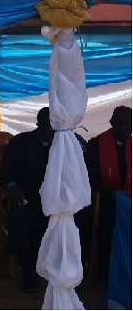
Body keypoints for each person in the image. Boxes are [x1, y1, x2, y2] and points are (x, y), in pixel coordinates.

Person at [0, 106, 53, 293]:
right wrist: (13, 188)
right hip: (27, 199)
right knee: (23, 222)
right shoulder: (21, 142)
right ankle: (29, 276)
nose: (50, 130)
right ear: (38, 124)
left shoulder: (62, 145)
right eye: (47, 125)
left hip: (53, 202)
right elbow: (7, 174)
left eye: (53, 126)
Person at [83, 105, 131, 280]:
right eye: (123, 124)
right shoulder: (96, 144)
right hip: (104, 200)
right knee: (104, 226)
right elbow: (89, 177)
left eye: (130, 125)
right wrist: (109, 192)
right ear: (112, 123)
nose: (127, 129)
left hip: (128, 202)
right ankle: (106, 272)